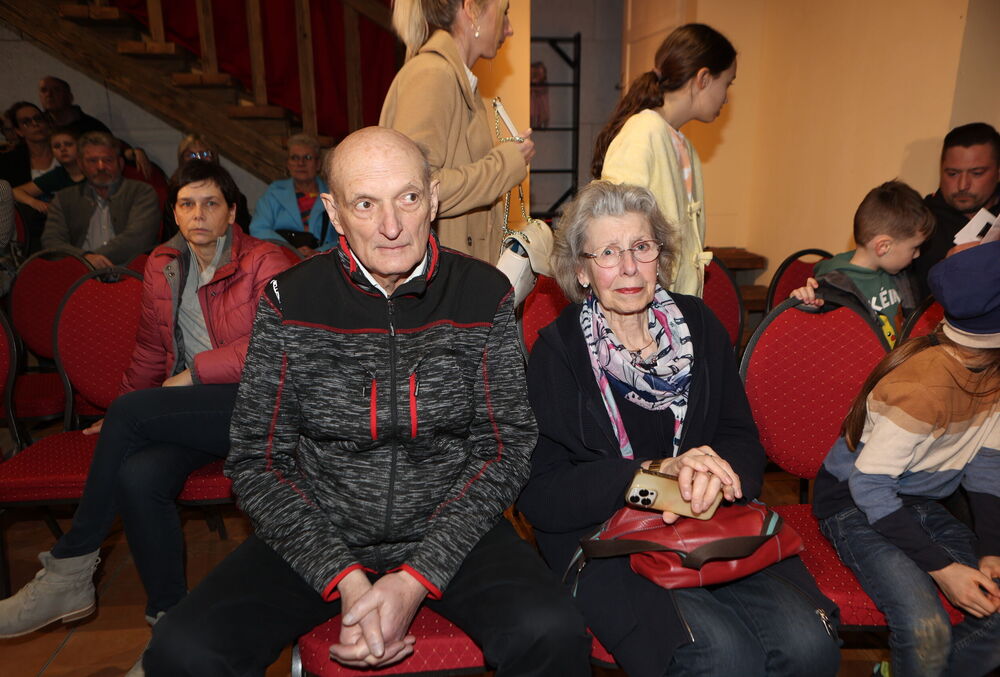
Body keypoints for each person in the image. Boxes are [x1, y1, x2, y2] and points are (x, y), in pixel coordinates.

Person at [141, 127, 590, 676]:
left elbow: (506, 449)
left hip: (452, 529)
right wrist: (344, 579)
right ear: (334, 212)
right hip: (319, 527)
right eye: (365, 204)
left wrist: (416, 578)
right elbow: (257, 459)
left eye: (408, 197)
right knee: (183, 651)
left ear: (434, 198)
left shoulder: (482, 294)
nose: (392, 226)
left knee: (553, 633)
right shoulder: (290, 300)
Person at [517, 180, 840, 677]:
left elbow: (740, 438)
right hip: (607, 539)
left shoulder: (699, 324)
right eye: (608, 253)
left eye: (641, 247)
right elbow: (541, 495)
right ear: (582, 271)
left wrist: (714, 473)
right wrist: (651, 475)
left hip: (712, 520)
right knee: (721, 656)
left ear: (660, 257)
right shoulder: (558, 353)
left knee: (809, 645)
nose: (629, 267)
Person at [0, 161, 289, 641]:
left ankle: (69, 569)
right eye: (187, 204)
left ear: (232, 212)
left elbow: (277, 346)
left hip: (262, 404)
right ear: (174, 213)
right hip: (198, 412)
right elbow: (151, 351)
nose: (198, 214)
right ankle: (168, 620)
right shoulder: (163, 264)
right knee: (138, 477)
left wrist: (190, 375)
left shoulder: (266, 260)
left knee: (132, 415)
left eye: (211, 203)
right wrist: (123, 414)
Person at [813, 241, 1000, 677]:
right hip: (854, 504)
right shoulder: (922, 389)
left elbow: (987, 465)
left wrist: (992, 549)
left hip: (919, 502)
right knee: (925, 629)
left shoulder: (990, 376)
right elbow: (869, 487)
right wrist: (943, 568)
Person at [380, 0, 535, 264]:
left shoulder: (455, 78)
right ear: (471, 9)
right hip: (441, 274)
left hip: (456, 269)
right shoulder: (433, 74)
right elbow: (413, 190)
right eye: (504, 13)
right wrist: (505, 165)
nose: (509, 29)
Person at [592, 23, 736, 297]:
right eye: (727, 84)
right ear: (704, 78)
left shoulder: (684, 145)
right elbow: (614, 232)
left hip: (673, 308)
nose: (726, 98)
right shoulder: (642, 133)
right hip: (641, 307)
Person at [789, 180, 934, 347]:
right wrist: (806, 305)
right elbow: (810, 338)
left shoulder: (898, 273)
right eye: (914, 248)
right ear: (883, 247)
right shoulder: (832, 287)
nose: (917, 254)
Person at [41, 131, 160, 268]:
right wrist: (84, 258)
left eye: (108, 160)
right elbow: (51, 241)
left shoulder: (142, 192)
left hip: (129, 272)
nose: (101, 167)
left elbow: (137, 239)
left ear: (120, 163)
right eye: (92, 161)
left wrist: (90, 260)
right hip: (79, 274)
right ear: (80, 164)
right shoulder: (64, 198)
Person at [912, 123, 1000, 297]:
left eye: (976, 173)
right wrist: (946, 271)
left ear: (998, 172)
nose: (962, 185)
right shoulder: (915, 220)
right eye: (952, 174)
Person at [39, 76, 154, 178]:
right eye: (44, 90)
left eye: (56, 90)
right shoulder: (38, 126)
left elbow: (114, 150)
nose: (49, 95)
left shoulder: (90, 126)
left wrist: (135, 152)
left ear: (69, 97)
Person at [248, 133, 332, 256]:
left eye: (308, 157)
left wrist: (318, 252)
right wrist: (290, 250)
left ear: (318, 164)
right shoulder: (274, 192)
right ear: (288, 164)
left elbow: (343, 237)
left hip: (323, 259)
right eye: (294, 158)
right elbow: (258, 229)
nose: (301, 163)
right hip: (281, 257)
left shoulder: (332, 194)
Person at [163, 133, 251, 239]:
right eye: (191, 155)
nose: (198, 159)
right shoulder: (173, 195)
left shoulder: (233, 195)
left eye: (204, 154)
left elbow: (242, 236)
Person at [12, 127, 84, 214]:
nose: (63, 149)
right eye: (57, 146)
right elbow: (15, 192)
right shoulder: (58, 175)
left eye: (68, 144)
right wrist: (36, 203)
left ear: (80, 147)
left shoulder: (93, 170)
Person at [0, 102, 54, 187]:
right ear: (19, 131)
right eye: (26, 122)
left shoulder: (67, 149)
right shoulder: (8, 162)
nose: (35, 124)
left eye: (38, 119)